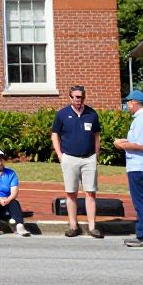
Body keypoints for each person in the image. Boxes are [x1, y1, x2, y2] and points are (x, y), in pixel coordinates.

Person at [51, 84, 103, 238]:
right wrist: (60, 155)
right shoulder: (62, 114)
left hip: (89, 158)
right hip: (70, 158)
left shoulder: (92, 114)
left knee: (90, 192)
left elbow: (96, 136)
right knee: (71, 193)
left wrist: (96, 155)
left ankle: (92, 226)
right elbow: (55, 135)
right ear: (70, 97)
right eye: (76, 97)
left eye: (81, 97)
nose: (79, 100)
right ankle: (73, 225)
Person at [113, 89, 143, 250]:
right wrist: (125, 141)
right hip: (142, 166)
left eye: (128, 102)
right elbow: (138, 140)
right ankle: (142, 235)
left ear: (134, 102)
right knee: (141, 202)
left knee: (142, 203)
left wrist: (121, 145)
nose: (126, 105)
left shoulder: (142, 119)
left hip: (140, 166)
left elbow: (140, 145)